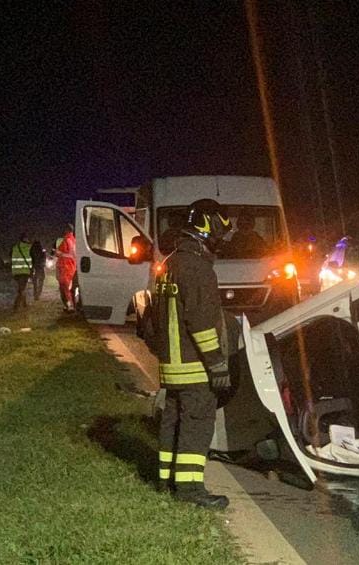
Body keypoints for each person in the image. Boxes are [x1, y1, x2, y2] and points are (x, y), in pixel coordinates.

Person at [153, 199, 232, 509]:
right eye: (218, 233)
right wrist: (217, 364)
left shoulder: (170, 264)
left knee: (172, 421)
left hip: (172, 366)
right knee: (196, 424)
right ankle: (189, 490)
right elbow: (200, 323)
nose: (220, 241)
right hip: (195, 366)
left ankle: (165, 481)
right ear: (207, 227)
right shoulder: (198, 269)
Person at [55, 224, 77, 313]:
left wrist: (56, 252)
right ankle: (72, 305)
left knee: (65, 287)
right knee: (71, 287)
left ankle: (69, 306)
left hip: (65, 266)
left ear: (67, 230)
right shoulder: (74, 240)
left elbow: (58, 252)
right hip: (72, 266)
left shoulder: (66, 240)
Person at [10, 233, 33, 310]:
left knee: (22, 287)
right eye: (27, 238)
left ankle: (24, 303)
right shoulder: (29, 247)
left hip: (16, 271)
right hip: (24, 271)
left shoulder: (15, 247)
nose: (29, 240)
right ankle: (16, 306)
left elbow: (10, 257)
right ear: (25, 239)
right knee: (22, 289)